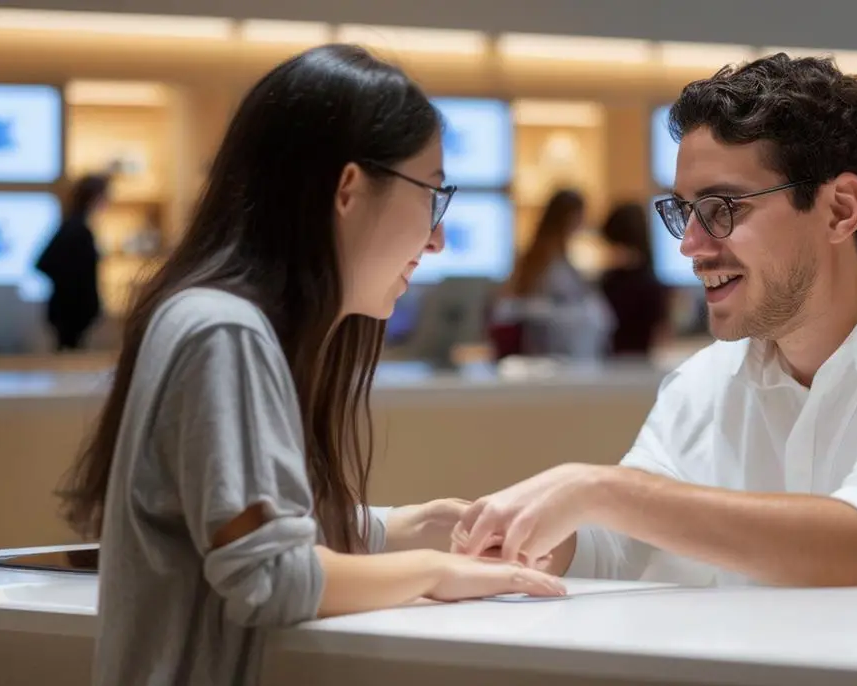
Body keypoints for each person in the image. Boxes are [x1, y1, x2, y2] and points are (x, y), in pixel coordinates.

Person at [56, 45, 563, 686]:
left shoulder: (216, 320)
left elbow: (235, 533)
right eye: (432, 194)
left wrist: (412, 527)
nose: (437, 237)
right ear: (349, 188)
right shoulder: (224, 330)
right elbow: (270, 578)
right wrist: (442, 574)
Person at [452, 54, 857, 591]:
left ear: (840, 210)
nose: (690, 246)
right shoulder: (703, 382)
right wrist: (521, 538)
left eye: (723, 209)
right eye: (684, 211)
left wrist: (603, 491)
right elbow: (615, 548)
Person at [489, 189, 613, 360]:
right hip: (545, 348)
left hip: (558, 346)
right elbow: (522, 304)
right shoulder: (543, 259)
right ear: (569, 216)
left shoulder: (559, 256)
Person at [36, 173, 107, 351]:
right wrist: (71, 286)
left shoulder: (76, 227)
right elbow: (44, 263)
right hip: (71, 310)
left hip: (71, 309)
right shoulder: (76, 230)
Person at [598, 203, 670, 357]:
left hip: (638, 362)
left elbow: (660, 333)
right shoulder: (610, 279)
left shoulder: (647, 284)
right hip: (616, 362)